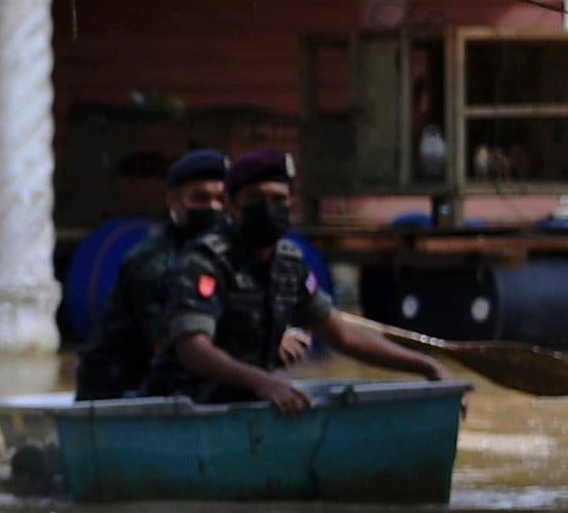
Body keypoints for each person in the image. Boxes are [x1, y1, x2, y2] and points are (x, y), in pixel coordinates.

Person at [160, 147, 441, 413]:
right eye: (256, 199)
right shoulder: (204, 261)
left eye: (278, 199)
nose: (268, 208)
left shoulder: (289, 264)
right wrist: (263, 382)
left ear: (291, 204)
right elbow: (193, 350)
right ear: (231, 205)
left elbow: (343, 335)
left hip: (251, 408)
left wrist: (425, 365)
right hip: (189, 409)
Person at [73, 146, 234, 402]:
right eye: (200, 198)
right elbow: (174, 347)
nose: (213, 208)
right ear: (174, 202)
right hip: (118, 390)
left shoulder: (225, 253)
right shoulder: (154, 263)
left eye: (221, 199)